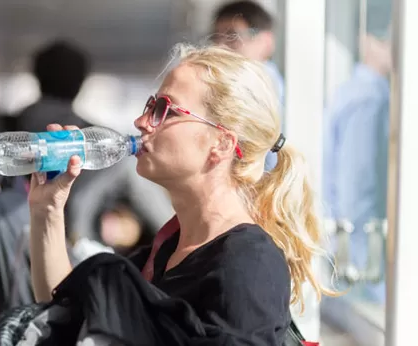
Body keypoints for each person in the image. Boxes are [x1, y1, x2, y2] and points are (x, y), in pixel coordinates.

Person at [27, 45, 334, 344]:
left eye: (164, 110)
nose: (141, 122)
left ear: (221, 143)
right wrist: (47, 211)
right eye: (150, 106)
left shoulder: (248, 263)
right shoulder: (167, 248)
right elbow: (63, 311)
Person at [323, 32, 391, 304]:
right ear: (367, 40)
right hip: (358, 259)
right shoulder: (369, 98)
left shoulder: (354, 90)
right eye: (388, 39)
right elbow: (358, 188)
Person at [211, 0, 283, 171]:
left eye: (233, 36)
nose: (220, 47)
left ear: (266, 41)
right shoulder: (229, 86)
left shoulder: (268, 91)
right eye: (216, 37)